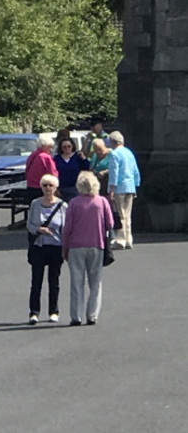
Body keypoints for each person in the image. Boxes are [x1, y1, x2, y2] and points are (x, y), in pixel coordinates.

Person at [62, 171, 114, 326]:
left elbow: (67, 228)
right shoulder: (102, 202)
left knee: (76, 282)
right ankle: (92, 315)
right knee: (95, 281)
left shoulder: (73, 203)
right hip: (96, 244)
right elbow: (110, 224)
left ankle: (76, 316)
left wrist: (64, 248)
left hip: (76, 246)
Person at [26, 174, 66, 325]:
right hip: (39, 246)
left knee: (53, 281)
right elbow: (29, 225)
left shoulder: (63, 206)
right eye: (45, 185)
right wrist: (39, 229)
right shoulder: (35, 204)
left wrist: (66, 247)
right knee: (36, 280)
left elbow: (66, 228)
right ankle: (34, 312)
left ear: (56, 188)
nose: (48, 188)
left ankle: (54, 311)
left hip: (56, 247)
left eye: (51, 185)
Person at [107, 131, 141, 250]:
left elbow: (114, 172)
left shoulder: (114, 154)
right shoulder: (129, 153)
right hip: (130, 186)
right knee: (127, 215)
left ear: (112, 142)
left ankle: (120, 240)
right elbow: (135, 170)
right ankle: (128, 239)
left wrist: (111, 188)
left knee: (119, 214)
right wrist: (135, 185)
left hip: (119, 187)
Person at [53, 136, 89, 202]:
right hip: (61, 189)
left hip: (75, 189)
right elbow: (53, 173)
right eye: (64, 147)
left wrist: (84, 158)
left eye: (69, 146)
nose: (67, 148)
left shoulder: (78, 157)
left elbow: (87, 168)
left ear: (72, 146)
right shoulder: (57, 158)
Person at [25, 135, 58, 205]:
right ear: (43, 146)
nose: (51, 149)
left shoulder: (32, 155)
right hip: (43, 189)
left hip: (30, 187)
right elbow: (53, 174)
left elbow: (27, 170)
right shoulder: (46, 157)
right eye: (49, 147)